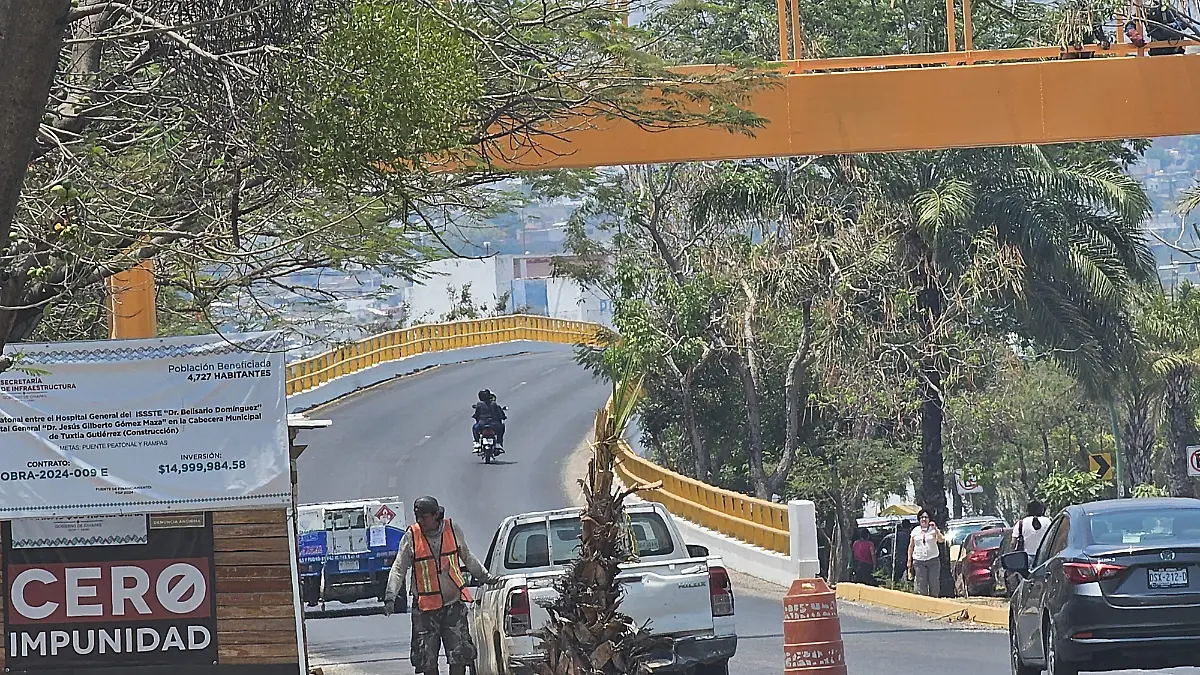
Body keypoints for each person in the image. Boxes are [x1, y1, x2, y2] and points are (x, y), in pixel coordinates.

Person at [383, 496, 497, 675]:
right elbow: (398, 568)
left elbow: (467, 557)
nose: (420, 521)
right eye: (417, 517)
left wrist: (486, 577)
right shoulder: (412, 536)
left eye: (424, 517)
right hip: (425, 611)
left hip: (453, 607)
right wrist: (390, 596)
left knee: (459, 656)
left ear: (436, 515)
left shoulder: (452, 530)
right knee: (427, 661)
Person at [907, 509, 944, 597]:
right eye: (922, 517)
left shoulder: (933, 530)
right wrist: (909, 560)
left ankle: (934, 602)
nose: (923, 519)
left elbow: (941, 540)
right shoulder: (915, 531)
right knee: (921, 584)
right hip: (919, 561)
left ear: (929, 519)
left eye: (926, 517)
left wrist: (936, 529)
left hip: (933, 560)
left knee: (934, 583)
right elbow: (911, 546)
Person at [472, 389, 506, 453]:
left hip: (482, 424)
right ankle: (499, 442)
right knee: (502, 427)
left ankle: (476, 442)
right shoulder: (494, 404)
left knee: (474, 427)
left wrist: (475, 417)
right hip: (494, 424)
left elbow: (476, 414)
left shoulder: (479, 404)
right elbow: (500, 414)